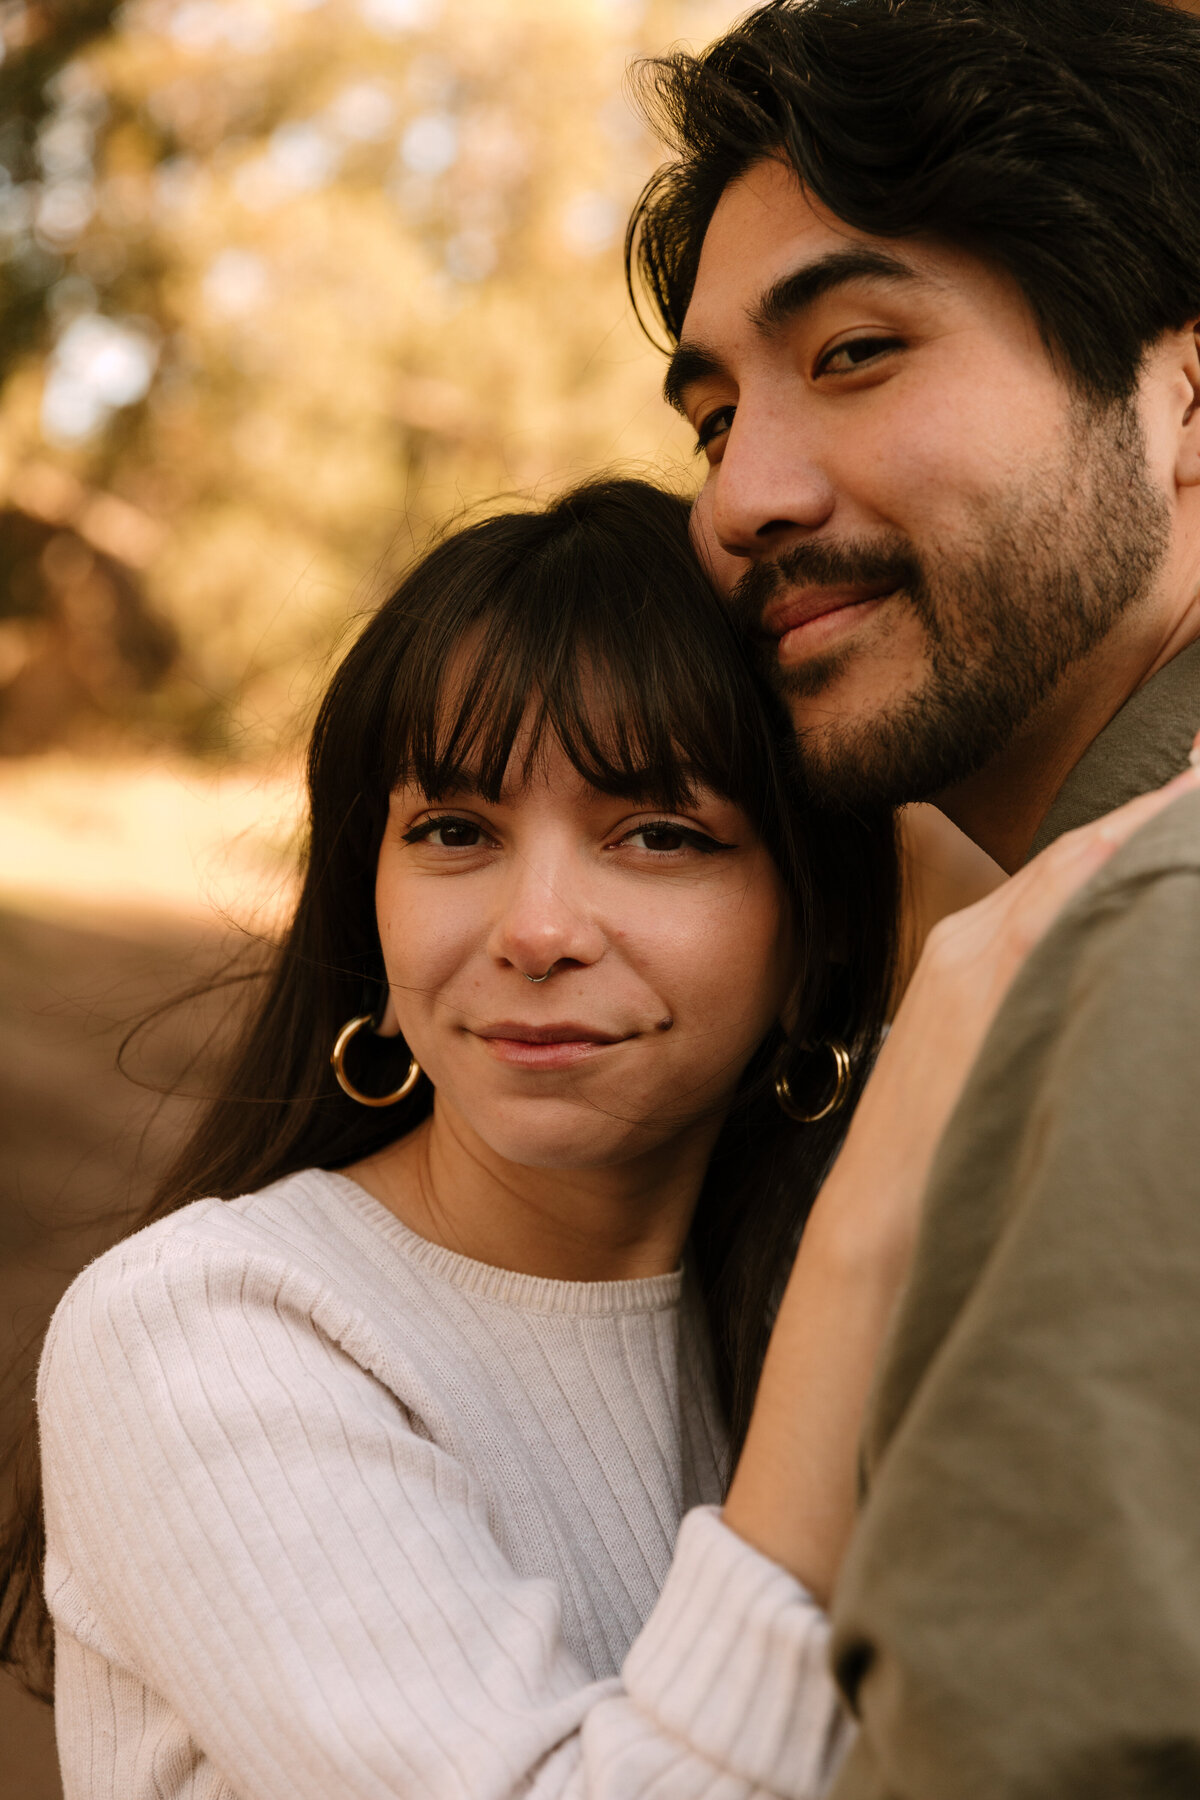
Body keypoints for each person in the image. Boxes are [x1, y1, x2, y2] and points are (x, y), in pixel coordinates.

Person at [2, 476, 1180, 1798]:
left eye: (659, 835)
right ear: (364, 899)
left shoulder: (797, 1282)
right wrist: (869, 1234)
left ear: (816, 938)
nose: (537, 928)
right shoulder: (208, 1329)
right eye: (455, 831)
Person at [626, 0, 1200, 1790]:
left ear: (1188, 400)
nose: (738, 500)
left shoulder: (1149, 937)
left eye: (858, 350)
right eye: (714, 417)